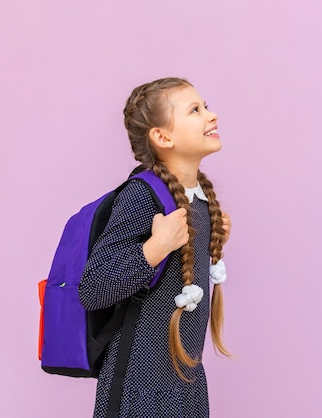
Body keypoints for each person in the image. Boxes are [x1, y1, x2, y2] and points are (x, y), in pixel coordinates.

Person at [79, 77, 231, 418]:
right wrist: (154, 249)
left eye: (205, 106)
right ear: (163, 137)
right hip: (140, 388)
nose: (212, 115)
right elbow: (93, 288)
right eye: (195, 110)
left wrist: (213, 235)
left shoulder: (201, 201)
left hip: (185, 382)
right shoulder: (141, 196)